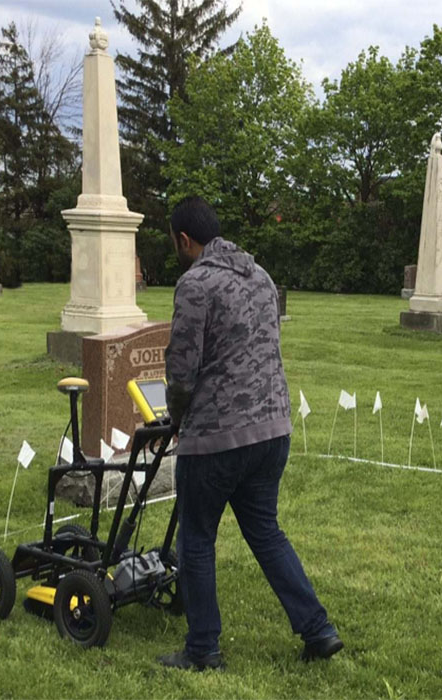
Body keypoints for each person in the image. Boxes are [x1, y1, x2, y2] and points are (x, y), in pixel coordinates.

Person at [159, 196, 342, 671]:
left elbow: (181, 372)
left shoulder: (194, 283)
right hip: (272, 430)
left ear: (184, 239)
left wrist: (175, 420)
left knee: (196, 538)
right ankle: (318, 630)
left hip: (217, 436)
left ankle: (203, 649)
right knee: (265, 532)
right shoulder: (260, 276)